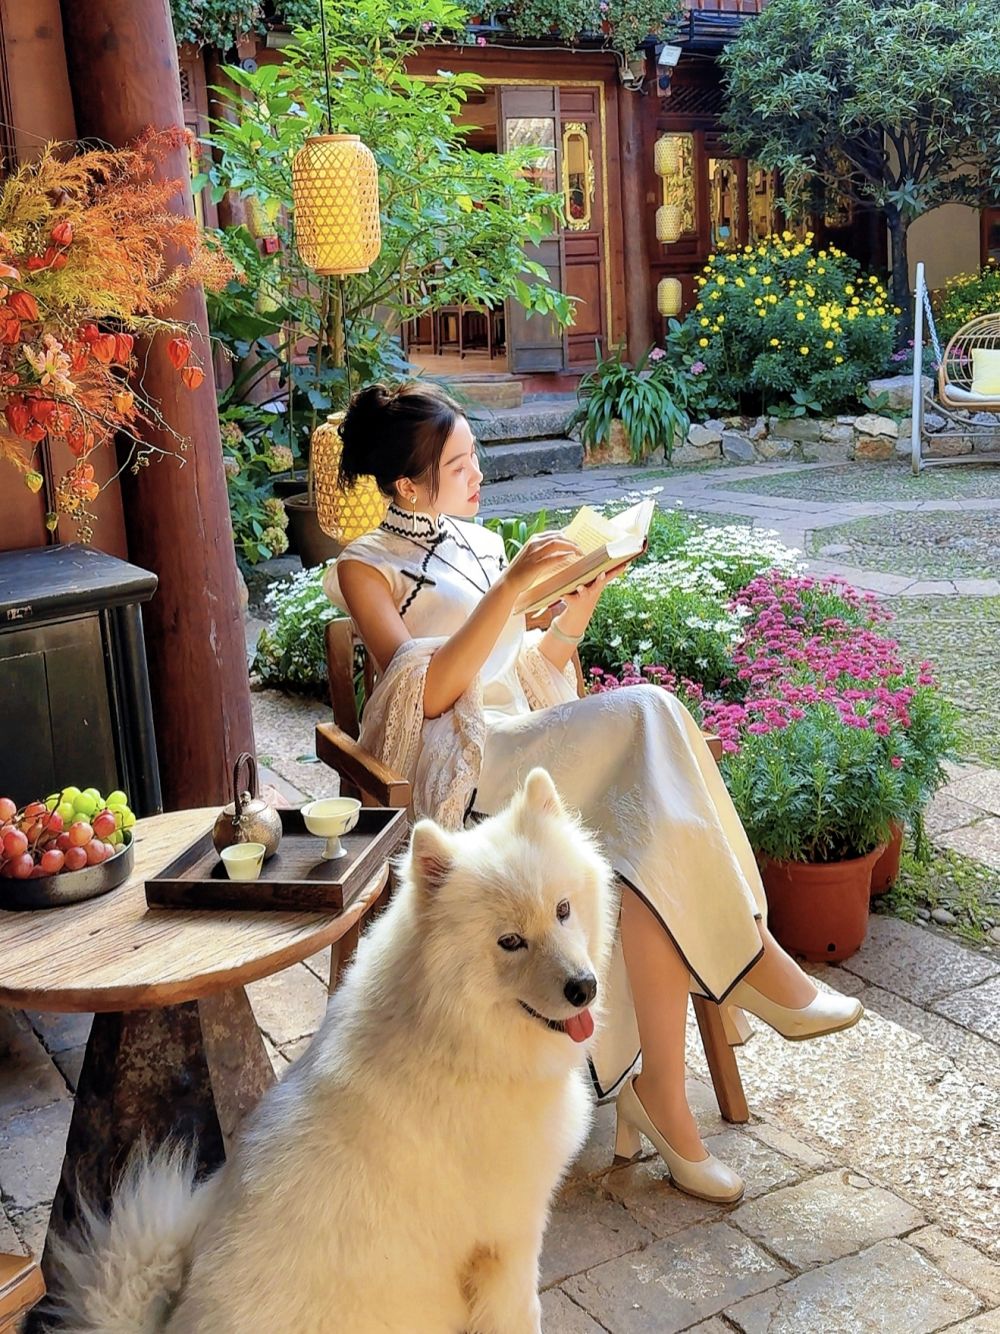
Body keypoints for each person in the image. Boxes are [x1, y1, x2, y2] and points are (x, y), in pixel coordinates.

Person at [325, 381, 863, 1204]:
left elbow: (524, 668)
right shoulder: (365, 566)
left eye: (473, 458)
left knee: (646, 841)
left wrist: (576, 609)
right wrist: (509, 591)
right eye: (459, 465)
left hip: (531, 744)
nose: (478, 475)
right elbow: (422, 695)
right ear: (407, 483)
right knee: (651, 710)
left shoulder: (476, 541)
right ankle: (754, 959)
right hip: (467, 767)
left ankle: (664, 1100)